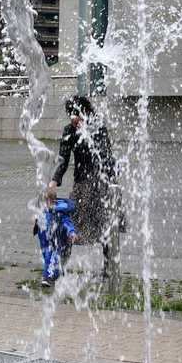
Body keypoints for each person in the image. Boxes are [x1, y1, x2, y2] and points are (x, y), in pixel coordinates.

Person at [49, 96, 116, 277]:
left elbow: (108, 159)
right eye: (70, 114)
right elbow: (62, 160)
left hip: (101, 185)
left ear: (86, 112)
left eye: (77, 114)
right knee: (70, 224)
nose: (73, 118)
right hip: (81, 186)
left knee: (104, 226)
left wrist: (113, 186)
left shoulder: (98, 128)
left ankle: (108, 268)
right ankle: (60, 266)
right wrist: (54, 181)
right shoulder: (69, 131)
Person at [34, 186, 78, 287]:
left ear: (51, 201)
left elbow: (67, 222)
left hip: (57, 241)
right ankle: (55, 274)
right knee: (48, 258)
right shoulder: (44, 210)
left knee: (52, 257)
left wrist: (71, 232)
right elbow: (41, 220)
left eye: (46, 203)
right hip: (45, 240)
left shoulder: (60, 212)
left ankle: (48, 278)